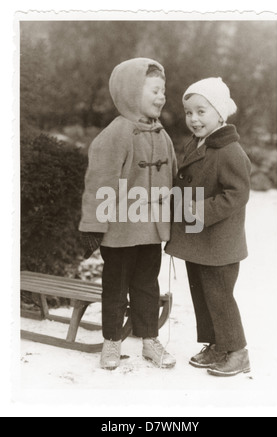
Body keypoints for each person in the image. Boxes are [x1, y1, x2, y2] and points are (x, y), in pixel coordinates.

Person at [79, 58, 177, 370]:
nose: (161, 96)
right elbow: (100, 182)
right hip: (119, 231)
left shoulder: (162, 134)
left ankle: (149, 340)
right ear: (132, 92)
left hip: (150, 230)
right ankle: (111, 342)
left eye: (163, 90)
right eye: (154, 90)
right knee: (116, 286)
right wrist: (95, 225)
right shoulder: (116, 133)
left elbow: (172, 178)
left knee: (148, 285)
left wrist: (179, 214)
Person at [165, 77, 251, 377]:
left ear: (219, 112)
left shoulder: (229, 150)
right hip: (198, 241)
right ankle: (217, 344)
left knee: (219, 296)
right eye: (189, 113)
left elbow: (237, 194)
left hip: (219, 243)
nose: (194, 119)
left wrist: (198, 210)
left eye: (201, 111)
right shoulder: (198, 143)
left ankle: (238, 351)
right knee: (201, 294)